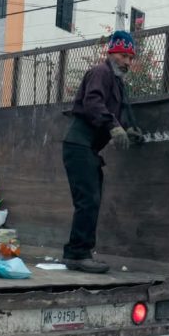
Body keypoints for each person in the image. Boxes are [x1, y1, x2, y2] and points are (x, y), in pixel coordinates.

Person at [61, 30, 144, 273]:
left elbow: (115, 113)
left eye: (131, 58)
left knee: (90, 201)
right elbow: (93, 103)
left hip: (87, 149)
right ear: (111, 53)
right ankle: (77, 254)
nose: (128, 62)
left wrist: (127, 129)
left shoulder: (116, 81)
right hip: (79, 145)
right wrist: (114, 127)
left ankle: (80, 251)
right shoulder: (101, 72)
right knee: (88, 200)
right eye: (124, 56)